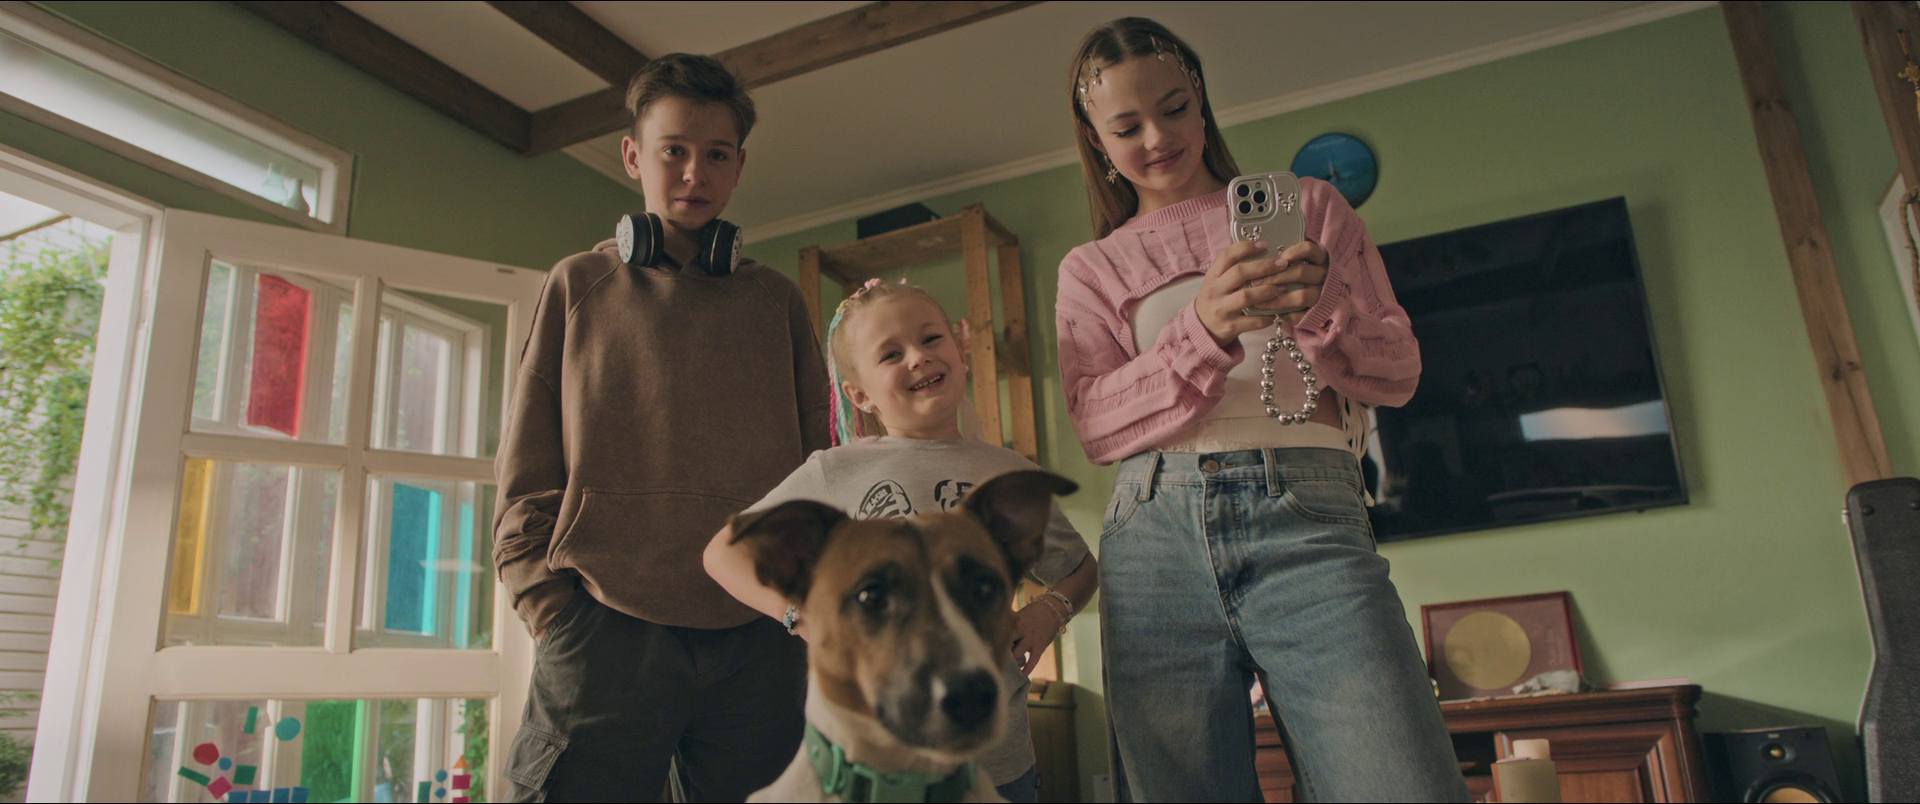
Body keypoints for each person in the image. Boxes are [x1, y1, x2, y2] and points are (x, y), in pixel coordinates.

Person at [1055, 18, 1469, 802]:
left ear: (1201, 102)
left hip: (1309, 506)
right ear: (1096, 140)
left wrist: (1324, 303)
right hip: (1153, 529)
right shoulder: (1092, 267)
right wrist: (1202, 330)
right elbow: (1095, 427)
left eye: (1174, 108)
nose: (1158, 137)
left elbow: (1400, 371)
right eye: (1127, 127)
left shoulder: (1310, 206)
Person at [491, 53, 830, 802]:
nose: (693, 173)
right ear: (632, 156)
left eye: (716, 155)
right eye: (673, 150)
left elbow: (819, 471)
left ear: (739, 167)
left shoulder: (776, 302)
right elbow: (525, 470)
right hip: (603, 632)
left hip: (760, 641)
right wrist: (551, 610)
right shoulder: (577, 285)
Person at [704, 279, 1098, 803]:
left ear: (959, 351)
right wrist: (802, 616)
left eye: (931, 338)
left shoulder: (1007, 473)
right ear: (859, 394)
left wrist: (1051, 610)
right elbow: (722, 551)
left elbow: (1080, 567)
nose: (918, 357)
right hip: (872, 763)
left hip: (997, 759)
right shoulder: (834, 471)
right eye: (891, 354)